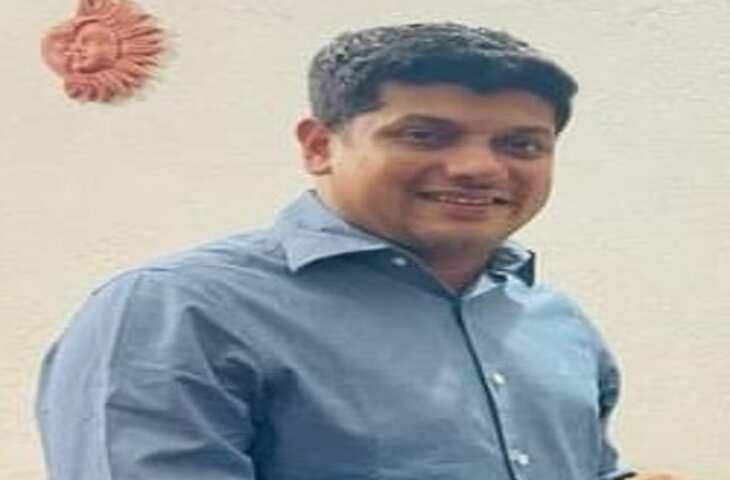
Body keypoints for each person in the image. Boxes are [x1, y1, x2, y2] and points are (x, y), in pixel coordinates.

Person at [36, 22, 688, 480]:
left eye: (521, 145)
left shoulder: (553, 321)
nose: (478, 168)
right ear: (319, 145)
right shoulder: (176, 311)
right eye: (425, 135)